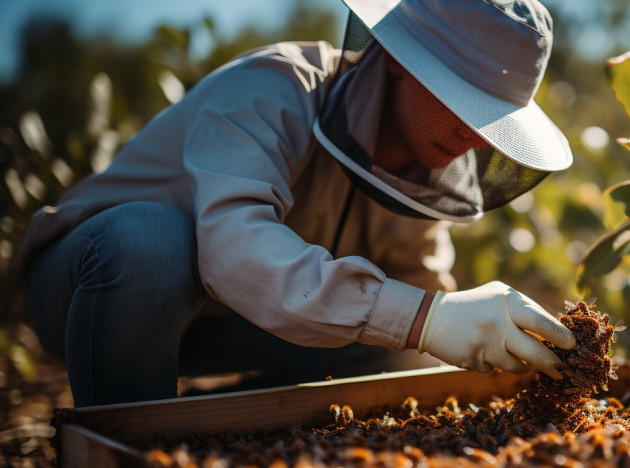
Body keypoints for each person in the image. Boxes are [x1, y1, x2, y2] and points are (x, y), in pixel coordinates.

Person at [17, 0, 578, 407]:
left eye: (490, 120)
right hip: (94, 291)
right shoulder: (274, 87)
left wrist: (482, 348)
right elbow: (232, 249)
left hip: (225, 326)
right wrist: (424, 317)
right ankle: (123, 458)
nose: (475, 139)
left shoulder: (418, 172)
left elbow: (417, 299)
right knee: (151, 241)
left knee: (388, 350)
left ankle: (219, 423)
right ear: (402, 60)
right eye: (463, 103)